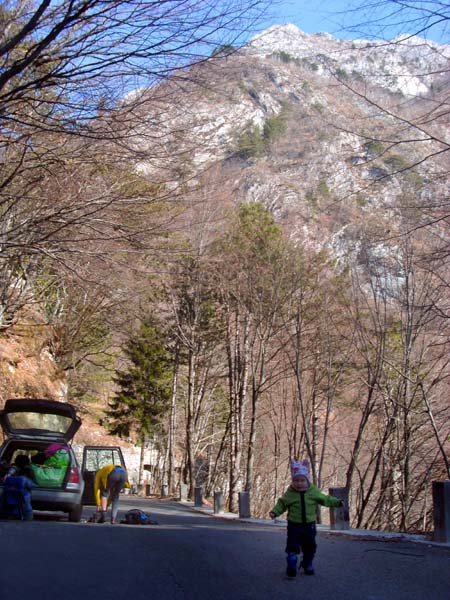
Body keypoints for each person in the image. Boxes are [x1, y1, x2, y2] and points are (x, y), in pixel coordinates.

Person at [269, 459, 343, 578]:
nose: (299, 483)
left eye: (302, 480)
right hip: (294, 525)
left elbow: (325, 499)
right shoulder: (290, 493)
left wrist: (337, 502)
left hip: (309, 525)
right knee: (292, 545)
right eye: (296, 481)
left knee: (310, 546)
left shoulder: (313, 492)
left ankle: (307, 563)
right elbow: (282, 504)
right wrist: (275, 512)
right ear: (293, 481)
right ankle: (292, 562)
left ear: (307, 480)